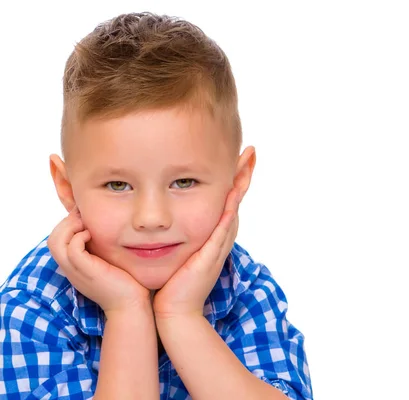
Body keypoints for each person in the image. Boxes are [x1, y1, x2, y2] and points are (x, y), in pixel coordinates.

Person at [0, 11, 312, 400]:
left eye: (183, 182)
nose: (151, 218)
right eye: (118, 184)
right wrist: (126, 313)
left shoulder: (246, 289)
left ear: (238, 178)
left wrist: (182, 317)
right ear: (67, 186)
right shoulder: (30, 310)